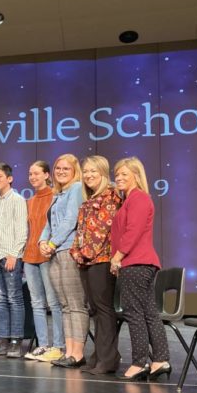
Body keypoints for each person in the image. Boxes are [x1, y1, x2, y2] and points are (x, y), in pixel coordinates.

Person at [110, 157, 172, 382]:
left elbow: (133, 231)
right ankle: (160, 360)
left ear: (137, 176)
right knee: (148, 313)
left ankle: (139, 362)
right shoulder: (130, 200)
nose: (119, 178)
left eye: (125, 174)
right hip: (140, 262)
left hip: (136, 262)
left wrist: (118, 256)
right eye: (117, 174)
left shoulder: (138, 199)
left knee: (134, 313)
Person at [72, 156, 123, 375]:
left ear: (103, 174)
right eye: (86, 171)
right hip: (86, 260)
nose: (89, 175)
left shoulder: (110, 197)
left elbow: (102, 232)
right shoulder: (89, 199)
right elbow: (81, 232)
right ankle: (99, 355)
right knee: (94, 309)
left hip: (101, 260)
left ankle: (108, 358)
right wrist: (76, 252)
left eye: (94, 171)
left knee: (103, 309)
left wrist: (84, 254)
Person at [38, 154, 88, 368]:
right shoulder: (58, 194)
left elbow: (70, 220)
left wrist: (52, 244)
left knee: (76, 305)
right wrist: (42, 240)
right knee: (65, 305)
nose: (60, 172)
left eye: (65, 168)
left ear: (75, 170)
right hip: (55, 251)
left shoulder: (76, 189)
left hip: (67, 250)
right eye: (58, 168)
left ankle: (78, 353)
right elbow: (48, 222)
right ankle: (68, 351)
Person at [0, 163, 28, 358]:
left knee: (14, 299)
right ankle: (2, 340)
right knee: (0, 300)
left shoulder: (17, 200)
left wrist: (15, 254)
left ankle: (16, 341)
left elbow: (21, 230)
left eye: (0, 177)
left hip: (10, 257)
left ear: (9, 179)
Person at [22, 160, 66, 363]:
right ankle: (42, 344)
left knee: (54, 302)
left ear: (47, 175)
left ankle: (59, 345)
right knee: (37, 303)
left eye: (37, 173)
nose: (33, 177)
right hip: (30, 256)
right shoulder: (29, 201)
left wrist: (50, 246)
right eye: (30, 174)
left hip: (48, 254)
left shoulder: (55, 197)